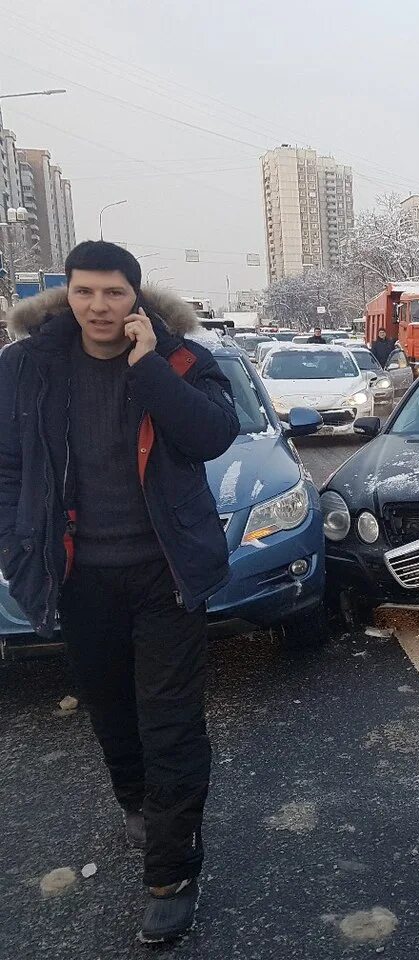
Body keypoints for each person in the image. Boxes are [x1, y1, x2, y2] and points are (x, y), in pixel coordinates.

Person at [0, 241, 238, 944]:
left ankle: (171, 872)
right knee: (113, 711)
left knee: (171, 723)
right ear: (66, 296)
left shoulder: (183, 361)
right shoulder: (25, 367)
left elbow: (210, 435)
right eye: (85, 293)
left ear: (136, 298)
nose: (99, 307)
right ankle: (137, 802)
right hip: (80, 577)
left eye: (113, 293)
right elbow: (7, 468)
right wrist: (17, 550)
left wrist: (149, 366)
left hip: (165, 574)